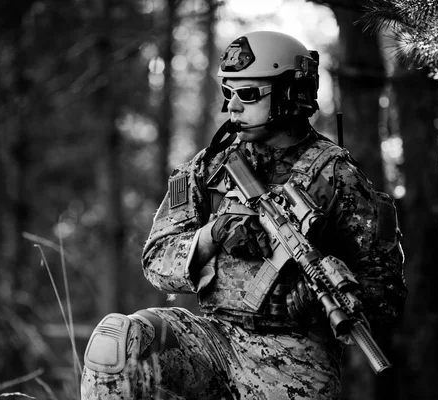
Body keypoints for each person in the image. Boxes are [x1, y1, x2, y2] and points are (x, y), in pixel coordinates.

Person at [80, 30, 407, 399]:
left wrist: (319, 297)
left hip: (294, 358)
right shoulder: (208, 168)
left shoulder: (337, 176)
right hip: (214, 339)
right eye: (228, 92)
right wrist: (212, 234)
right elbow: (156, 260)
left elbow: (387, 294)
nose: (233, 106)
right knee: (118, 343)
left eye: (248, 94)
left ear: (288, 94)